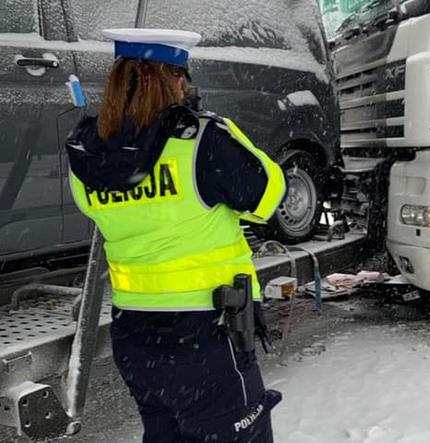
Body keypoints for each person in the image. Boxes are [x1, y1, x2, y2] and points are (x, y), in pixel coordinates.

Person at [65, 28, 286, 442]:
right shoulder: (201, 141)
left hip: (135, 337)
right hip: (206, 334)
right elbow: (268, 197)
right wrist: (225, 131)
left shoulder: (87, 152)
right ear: (176, 81)